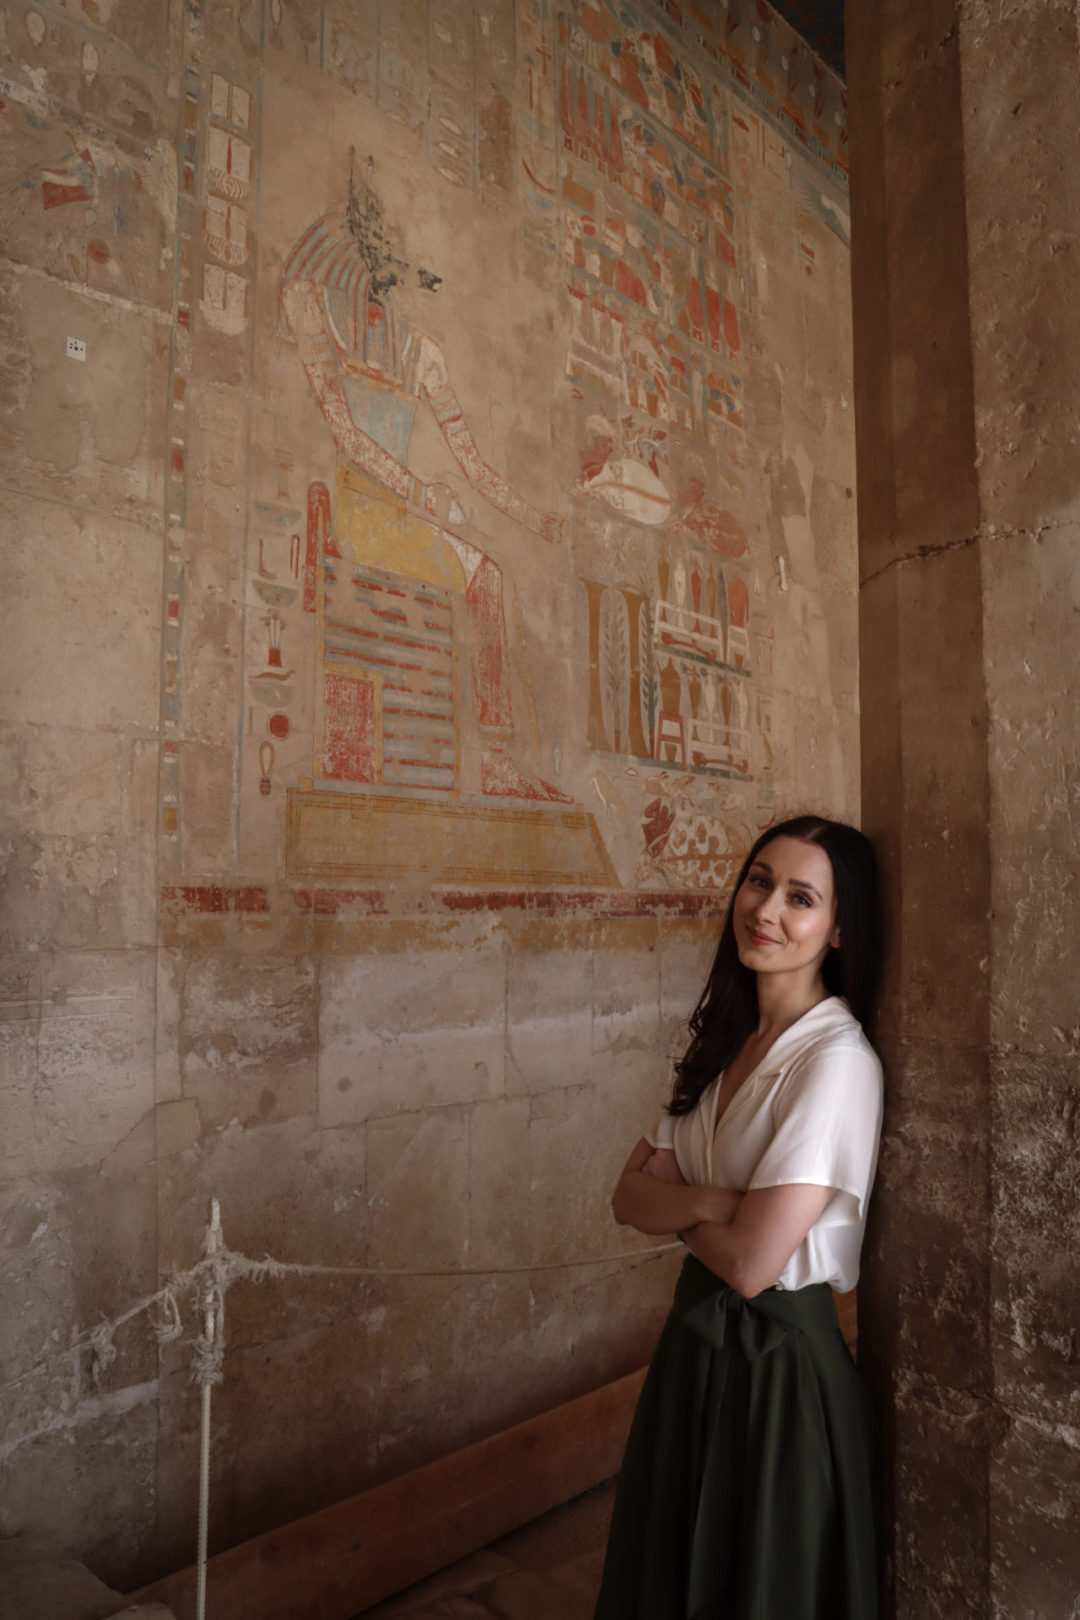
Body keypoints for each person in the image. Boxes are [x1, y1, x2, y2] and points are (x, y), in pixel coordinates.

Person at [594, 814, 884, 1620]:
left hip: (781, 1373)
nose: (767, 910)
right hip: (692, 1346)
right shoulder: (723, 1039)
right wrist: (715, 1207)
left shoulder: (837, 1062)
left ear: (837, 929)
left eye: (800, 898)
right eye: (759, 882)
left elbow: (756, 1265)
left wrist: (681, 1208)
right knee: (671, 1576)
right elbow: (624, 1198)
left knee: (763, 1587)